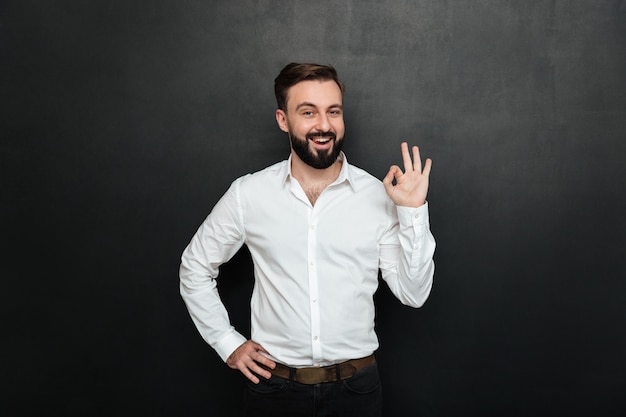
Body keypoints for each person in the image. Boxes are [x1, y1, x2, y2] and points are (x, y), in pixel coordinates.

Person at [179, 62, 435, 417]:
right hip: (274, 392)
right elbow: (194, 266)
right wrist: (227, 343)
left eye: (333, 111)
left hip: (356, 391)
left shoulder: (378, 195)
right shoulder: (249, 194)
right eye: (308, 112)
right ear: (283, 120)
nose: (324, 125)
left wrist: (413, 211)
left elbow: (414, 292)